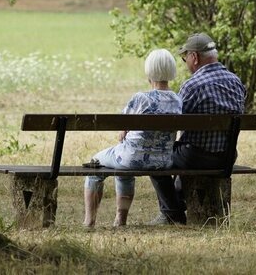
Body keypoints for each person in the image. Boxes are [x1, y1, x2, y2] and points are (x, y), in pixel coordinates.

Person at [149, 33, 246, 225]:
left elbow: (173, 121)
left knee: (154, 157)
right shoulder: (236, 82)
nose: (186, 63)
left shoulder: (192, 85)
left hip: (196, 156)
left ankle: (172, 213)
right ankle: (177, 206)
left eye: (185, 58)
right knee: (180, 152)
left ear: (194, 57)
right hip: (226, 157)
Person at [83, 49, 182, 227]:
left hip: (132, 159)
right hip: (163, 161)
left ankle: (89, 221)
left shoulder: (140, 98)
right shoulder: (177, 100)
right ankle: (120, 220)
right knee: (122, 166)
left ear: (149, 71)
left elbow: (122, 130)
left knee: (95, 163)